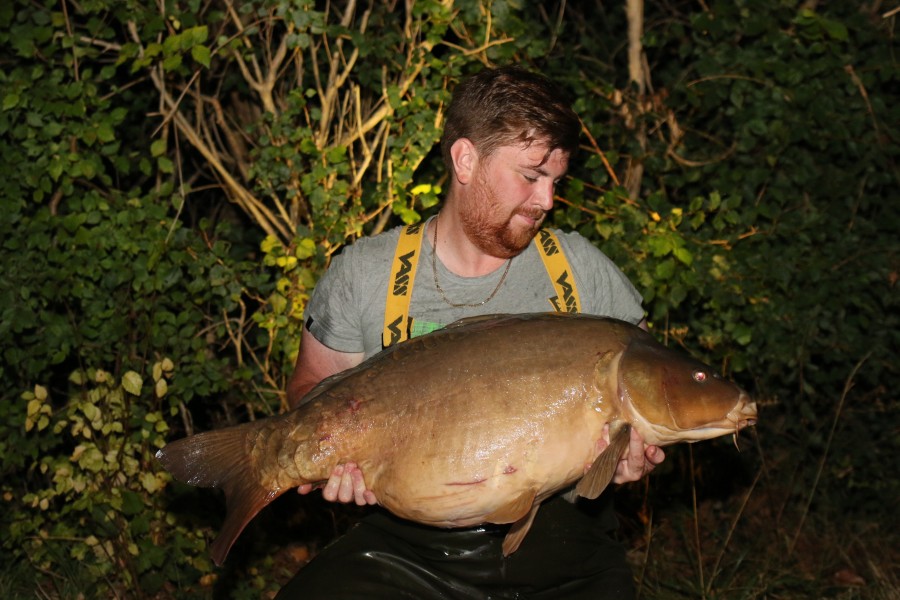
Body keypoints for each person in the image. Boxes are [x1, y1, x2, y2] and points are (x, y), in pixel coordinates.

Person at [276, 65, 665, 599]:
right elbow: (309, 389)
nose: (547, 201)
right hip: (406, 549)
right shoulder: (367, 274)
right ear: (466, 159)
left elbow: (652, 381)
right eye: (531, 177)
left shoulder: (580, 271)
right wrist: (333, 456)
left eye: (556, 181)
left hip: (567, 547)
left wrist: (631, 451)